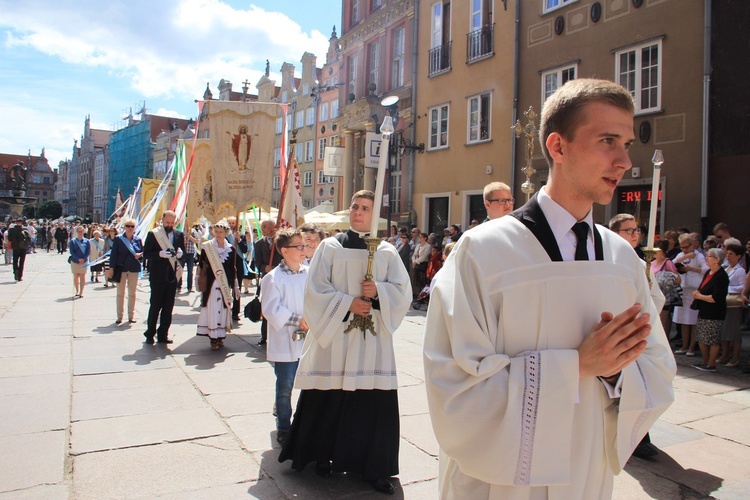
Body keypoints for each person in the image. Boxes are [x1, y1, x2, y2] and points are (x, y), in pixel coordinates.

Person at [424, 79, 676, 498]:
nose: (624, 161)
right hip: (500, 480)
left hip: (586, 467)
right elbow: (453, 382)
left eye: (627, 143)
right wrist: (574, 366)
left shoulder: (620, 258)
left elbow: (656, 363)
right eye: (608, 140)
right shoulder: (483, 251)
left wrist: (616, 369)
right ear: (558, 147)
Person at [279, 190, 412, 496]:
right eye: (354, 206)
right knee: (331, 394)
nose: (357, 212)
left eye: (365, 208)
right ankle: (322, 455)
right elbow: (315, 289)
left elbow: (403, 293)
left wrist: (378, 292)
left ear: (374, 213)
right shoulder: (330, 246)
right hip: (336, 338)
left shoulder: (387, 252)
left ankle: (374, 468)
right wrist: (347, 303)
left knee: (371, 402)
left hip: (371, 340)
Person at [261, 228, 309, 446]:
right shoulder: (273, 278)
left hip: (307, 340)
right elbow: (271, 309)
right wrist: (297, 320)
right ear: (284, 251)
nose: (303, 249)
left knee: (308, 386)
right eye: (298, 246)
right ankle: (283, 426)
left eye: (304, 245)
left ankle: (303, 425)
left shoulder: (309, 273)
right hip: (285, 340)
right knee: (285, 386)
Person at [142, 210, 185, 345]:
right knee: (155, 306)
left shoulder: (179, 234)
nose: (169, 225)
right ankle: (150, 334)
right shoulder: (154, 234)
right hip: (157, 276)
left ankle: (163, 334)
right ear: (162, 220)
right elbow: (146, 253)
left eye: (172, 223)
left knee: (168, 307)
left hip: (172, 276)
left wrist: (180, 254)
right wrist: (160, 254)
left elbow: (182, 253)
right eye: (167, 222)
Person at [196, 219, 239, 350]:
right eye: (216, 231)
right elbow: (200, 264)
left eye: (221, 232)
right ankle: (213, 338)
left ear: (226, 233)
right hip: (211, 283)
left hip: (225, 284)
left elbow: (233, 268)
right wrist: (198, 278)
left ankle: (220, 336)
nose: (218, 234)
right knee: (212, 308)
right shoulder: (207, 246)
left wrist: (235, 286)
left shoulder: (231, 249)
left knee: (223, 309)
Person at [691, 248, 730, 372]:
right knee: (701, 337)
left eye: (709, 256)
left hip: (715, 312)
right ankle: (705, 360)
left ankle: (711, 363)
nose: (706, 258)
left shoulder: (721, 276)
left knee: (712, 339)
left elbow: (716, 297)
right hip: (704, 309)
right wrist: (698, 293)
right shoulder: (708, 272)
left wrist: (700, 296)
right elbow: (703, 287)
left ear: (717, 260)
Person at [673, 233, 708, 357]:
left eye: (686, 247)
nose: (684, 250)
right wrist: (682, 258)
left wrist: (691, 268)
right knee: (683, 320)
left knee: (692, 320)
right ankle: (684, 345)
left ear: (692, 245)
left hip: (694, 290)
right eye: (682, 247)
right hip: (683, 289)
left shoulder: (699, 256)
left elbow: (706, 269)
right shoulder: (681, 255)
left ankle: (692, 347)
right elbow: (671, 264)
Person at [717, 242, 746, 367]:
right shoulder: (725, 267)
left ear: (738, 256)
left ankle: (735, 357)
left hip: (734, 304)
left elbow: (742, 287)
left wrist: (728, 289)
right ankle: (725, 354)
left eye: (731, 254)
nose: (728, 256)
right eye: (727, 253)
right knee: (724, 330)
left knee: (733, 331)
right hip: (724, 302)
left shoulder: (740, 271)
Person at [108, 219, 143, 324]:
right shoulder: (118, 239)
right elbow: (113, 255)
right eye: (128, 226)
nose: (130, 228)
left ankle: (131, 316)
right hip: (121, 269)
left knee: (132, 293)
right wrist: (111, 268)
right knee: (120, 293)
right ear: (124, 227)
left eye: (132, 226)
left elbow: (143, 253)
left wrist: (139, 255)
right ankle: (120, 316)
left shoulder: (138, 240)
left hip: (134, 268)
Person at [254, 219, 283, 345]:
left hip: (281, 278)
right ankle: (264, 335)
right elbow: (257, 262)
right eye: (262, 227)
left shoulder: (281, 242)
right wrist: (264, 267)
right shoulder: (259, 244)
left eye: (265, 227)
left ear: (273, 227)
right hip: (268, 278)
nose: (262, 230)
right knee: (267, 306)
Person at [68, 225, 90, 298]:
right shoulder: (73, 241)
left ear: (84, 231)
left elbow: (88, 251)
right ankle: (77, 290)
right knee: (76, 276)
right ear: (77, 232)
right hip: (75, 261)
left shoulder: (87, 241)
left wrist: (83, 259)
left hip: (84, 261)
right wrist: (78, 259)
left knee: (82, 276)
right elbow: (72, 251)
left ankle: (81, 292)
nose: (80, 233)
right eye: (79, 231)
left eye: (82, 231)